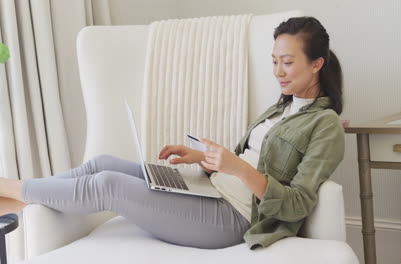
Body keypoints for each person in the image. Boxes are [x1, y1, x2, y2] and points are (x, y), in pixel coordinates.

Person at [0, 16, 344, 250]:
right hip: (212, 189)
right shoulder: (281, 107)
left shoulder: (325, 125)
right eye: (274, 61)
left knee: (108, 185)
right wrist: (204, 158)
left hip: (236, 217)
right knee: (102, 162)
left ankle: (9, 189)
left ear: (317, 64)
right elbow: (249, 162)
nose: (278, 72)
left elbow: (298, 204)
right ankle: (15, 202)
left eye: (287, 61)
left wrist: (236, 167)